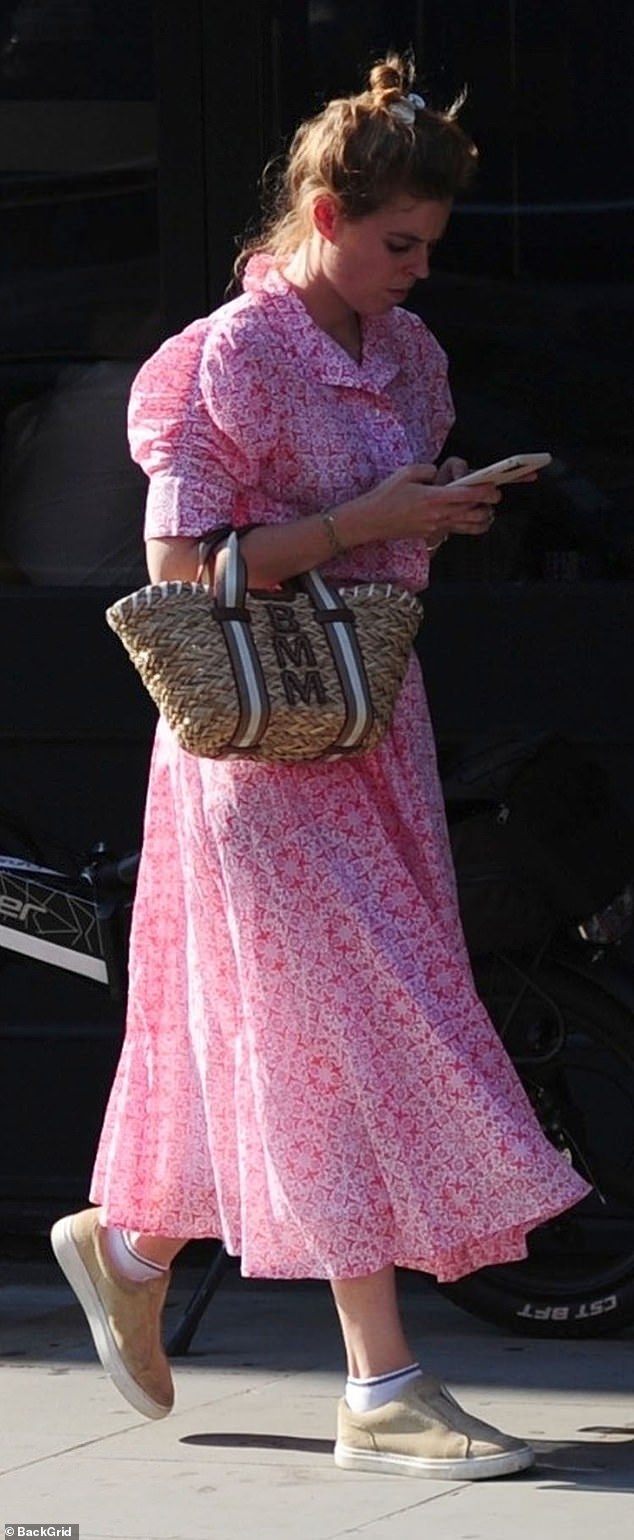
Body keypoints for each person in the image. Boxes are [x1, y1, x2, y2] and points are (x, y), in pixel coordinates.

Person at [51, 53, 589, 1481]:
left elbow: (377, 525)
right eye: (396, 242)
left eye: (429, 247)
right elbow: (176, 567)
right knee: (360, 1027)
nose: (415, 272)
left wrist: (438, 512)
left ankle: (133, 1238)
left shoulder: (408, 356)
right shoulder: (229, 351)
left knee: (321, 1033)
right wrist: (368, 520)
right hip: (254, 746)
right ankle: (381, 1383)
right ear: (324, 209)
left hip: (368, 719)